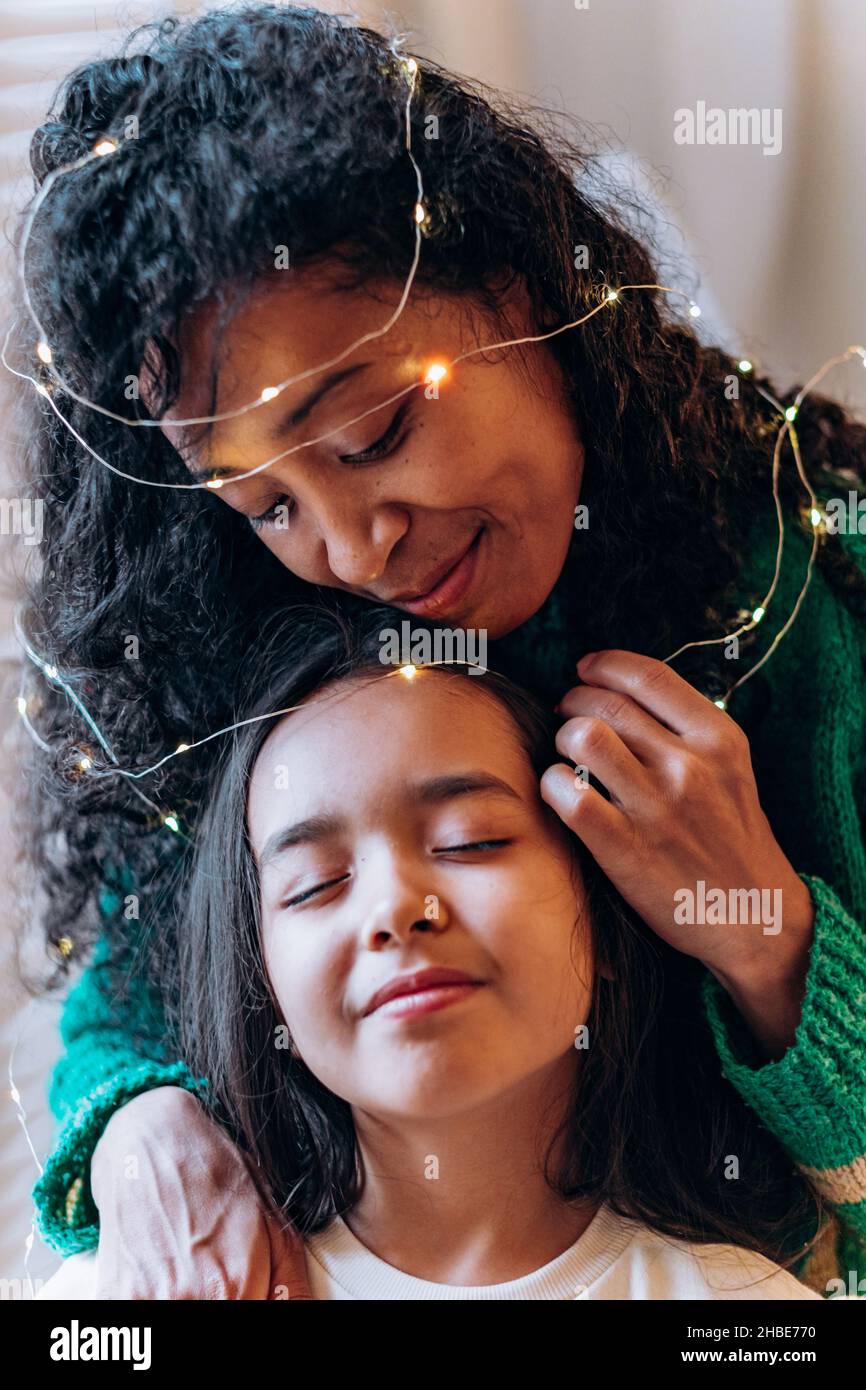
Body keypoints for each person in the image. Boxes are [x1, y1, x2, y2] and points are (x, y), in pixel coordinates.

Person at [14, 4, 865, 1296]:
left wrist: (767, 934)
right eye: (271, 506)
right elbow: (133, 987)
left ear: (517, 285)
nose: (358, 551)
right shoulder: (270, 638)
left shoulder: (791, 592)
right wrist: (134, 1113)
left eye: (371, 436)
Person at [38, 606, 825, 1300]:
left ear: (609, 917)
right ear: (263, 983)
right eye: (314, 885)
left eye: (470, 841)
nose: (394, 910)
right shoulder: (146, 1287)